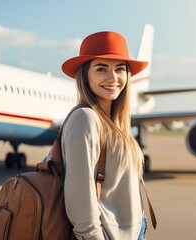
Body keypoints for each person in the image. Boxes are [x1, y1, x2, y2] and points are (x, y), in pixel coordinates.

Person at [60, 31, 149, 240]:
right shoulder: (85, 118)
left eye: (120, 69)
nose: (113, 78)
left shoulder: (115, 122)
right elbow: (80, 200)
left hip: (134, 231)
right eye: (101, 69)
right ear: (85, 74)